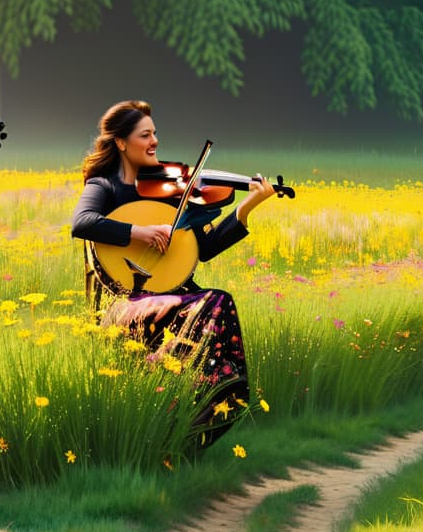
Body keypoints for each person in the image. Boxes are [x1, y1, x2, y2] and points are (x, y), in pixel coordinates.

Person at [71, 100, 276, 450]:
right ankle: (176, 420)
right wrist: (140, 232)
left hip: (176, 297)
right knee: (217, 302)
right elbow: (82, 223)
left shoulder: (167, 192)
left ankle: (191, 425)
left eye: (155, 134)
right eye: (145, 134)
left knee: (218, 312)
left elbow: (205, 248)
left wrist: (248, 206)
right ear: (121, 142)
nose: (155, 141)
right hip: (127, 303)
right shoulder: (104, 187)